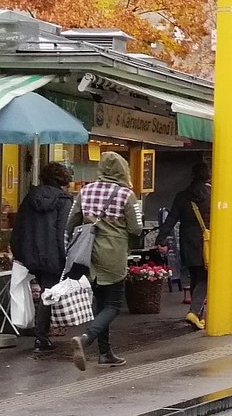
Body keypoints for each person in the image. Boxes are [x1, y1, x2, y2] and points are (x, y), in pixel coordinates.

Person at [68, 152, 139, 369]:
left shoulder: (85, 191)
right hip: (113, 254)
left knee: (100, 304)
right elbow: (136, 228)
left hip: (88, 253)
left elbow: (71, 222)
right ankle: (86, 339)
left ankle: (105, 353)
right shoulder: (126, 195)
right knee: (113, 305)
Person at [10, 161, 73, 357]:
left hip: (29, 253)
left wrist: (18, 252)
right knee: (48, 293)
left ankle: (37, 331)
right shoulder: (64, 200)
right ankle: (41, 337)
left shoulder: (30, 197)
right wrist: (65, 256)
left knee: (38, 290)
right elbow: (63, 231)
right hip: (52, 254)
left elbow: (19, 225)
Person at [156, 161, 211, 331]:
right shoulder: (213, 195)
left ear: (192, 175)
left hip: (187, 242)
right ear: (208, 176)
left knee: (195, 276)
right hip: (207, 242)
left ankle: (197, 316)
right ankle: (194, 312)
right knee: (205, 278)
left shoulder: (182, 196)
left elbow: (171, 219)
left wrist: (161, 239)